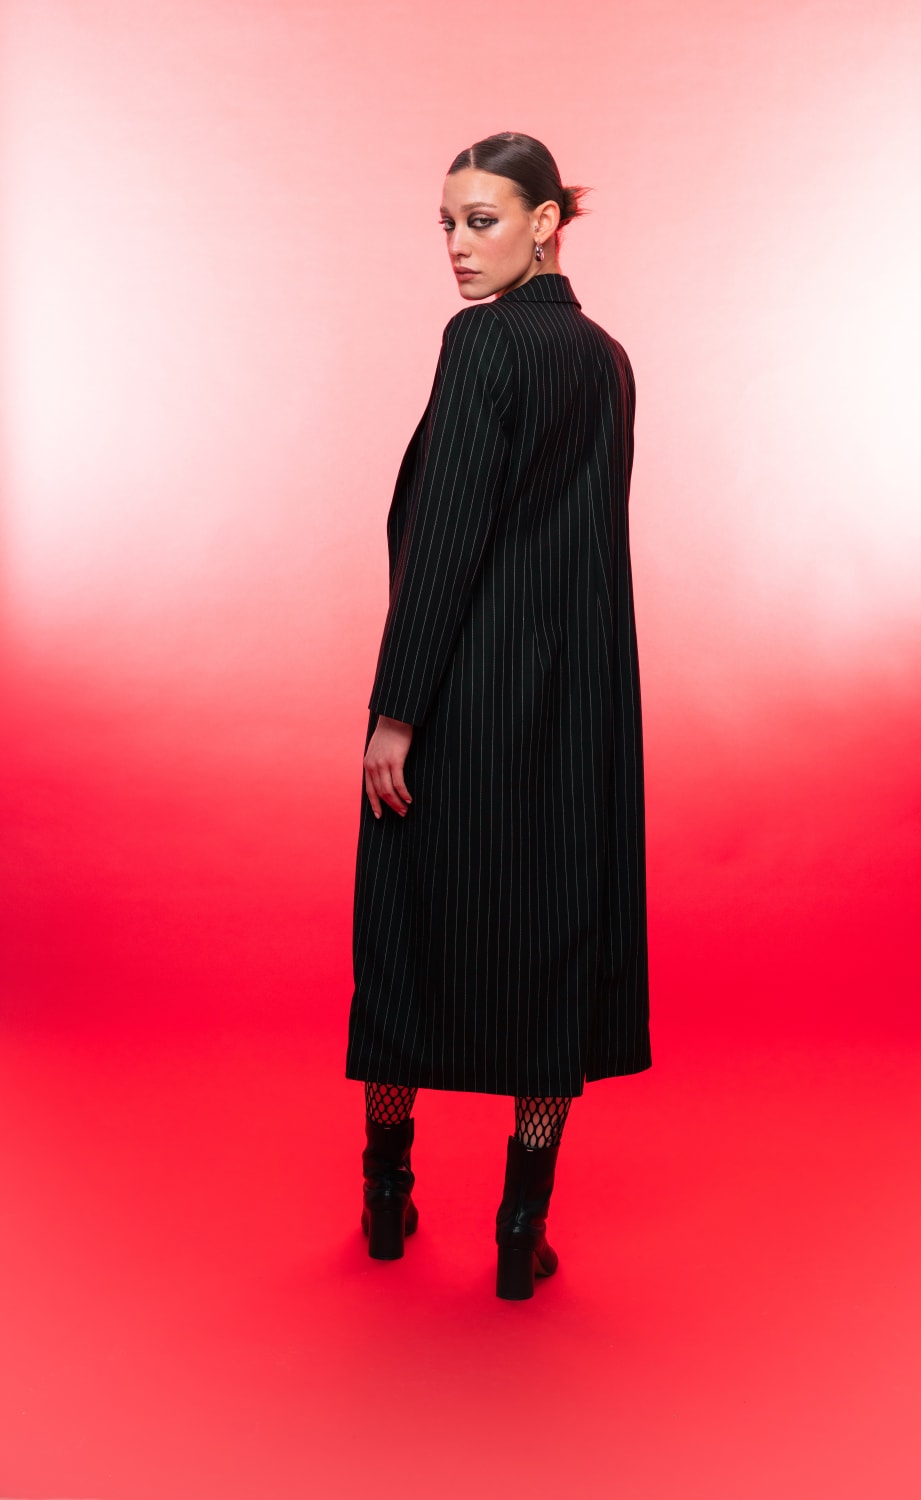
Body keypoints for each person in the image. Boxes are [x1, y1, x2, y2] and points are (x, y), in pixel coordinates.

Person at [345, 130, 651, 1300]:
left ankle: (387, 1192)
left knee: (408, 930)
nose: (459, 247)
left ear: (545, 222)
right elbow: (591, 554)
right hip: (577, 709)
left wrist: (396, 711)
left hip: (466, 696)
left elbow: (447, 539)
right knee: (552, 943)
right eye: (448, 224)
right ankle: (522, 1226)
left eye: (482, 220)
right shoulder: (608, 359)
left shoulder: (480, 342)